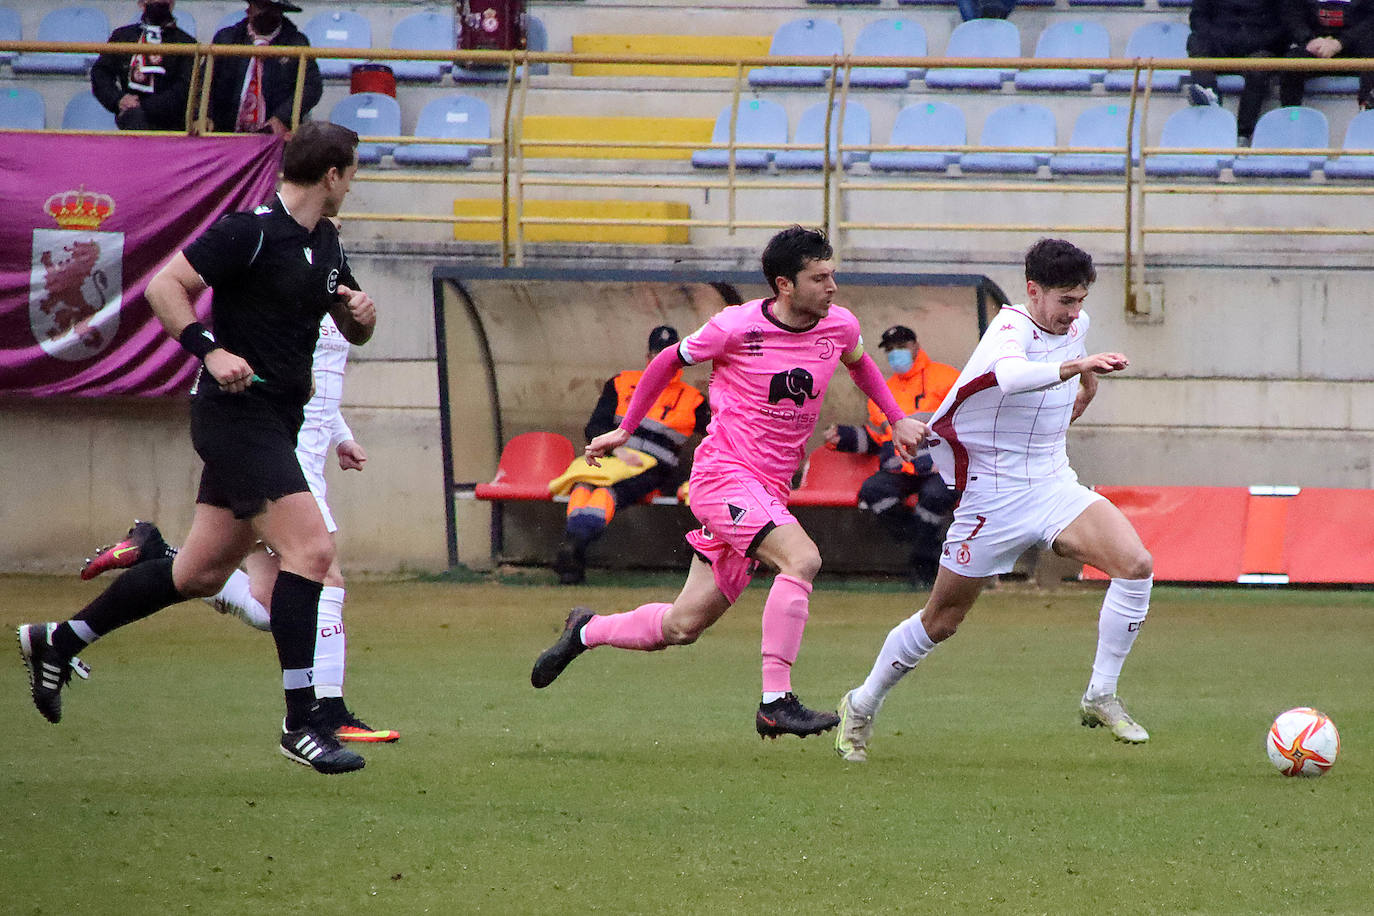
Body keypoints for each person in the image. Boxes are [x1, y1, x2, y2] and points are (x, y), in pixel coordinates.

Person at [18, 122, 376, 775]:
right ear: (331, 175)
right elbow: (164, 287)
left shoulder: (324, 242)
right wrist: (209, 351)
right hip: (235, 419)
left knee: (200, 575)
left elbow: (344, 318)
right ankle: (302, 722)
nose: (352, 186)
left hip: (278, 421)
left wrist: (359, 316)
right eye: (351, 174)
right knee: (313, 551)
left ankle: (58, 640)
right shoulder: (249, 230)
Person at [530, 226, 927, 740]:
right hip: (724, 478)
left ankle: (584, 630)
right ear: (784, 284)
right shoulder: (734, 327)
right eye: (819, 277)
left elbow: (860, 364)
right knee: (802, 559)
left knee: (682, 626)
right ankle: (775, 701)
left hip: (769, 490)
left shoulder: (840, 326)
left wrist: (895, 418)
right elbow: (668, 361)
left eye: (833, 275)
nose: (832, 287)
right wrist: (625, 429)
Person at [834, 239, 1154, 763]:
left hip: (1053, 484)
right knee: (942, 620)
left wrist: (1085, 384)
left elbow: (1064, 369)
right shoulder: (1008, 329)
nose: (1074, 313)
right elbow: (1010, 377)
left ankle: (1100, 694)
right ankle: (862, 703)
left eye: (1080, 301)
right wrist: (1080, 367)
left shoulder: (1076, 325)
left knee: (1136, 563)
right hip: (993, 498)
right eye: (1064, 301)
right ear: (1033, 291)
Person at [80, 310, 399, 744]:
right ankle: (327, 711)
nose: (334, 236)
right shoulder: (272, 278)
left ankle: (166, 558)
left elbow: (313, 381)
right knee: (323, 579)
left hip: (300, 457)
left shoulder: (326, 277)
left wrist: (341, 436)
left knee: (278, 606)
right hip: (278, 458)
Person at [550, 325, 711, 585]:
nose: (664, 363)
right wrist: (618, 449)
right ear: (648, 358)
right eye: (658, 356)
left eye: (669, 357)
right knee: (584, 484)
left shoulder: (693, 400)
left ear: (680, 361)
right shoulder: (621, 383)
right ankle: (574, 547)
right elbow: (595, 428)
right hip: (615, 459)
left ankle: (574, 546)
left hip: (656, 469)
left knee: (606, 491)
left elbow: (718, 435)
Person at [823, 324, 959, 587]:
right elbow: (879, 437)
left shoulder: (947, 378)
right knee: (873, 492)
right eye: (891, 350)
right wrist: (845, 437)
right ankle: (916, 537)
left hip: (939, 466)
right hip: (901, 467)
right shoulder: (882, 391)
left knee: (934, 496)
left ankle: (924, 569)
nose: (897, 354)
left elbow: (966, 423)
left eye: (902, 347)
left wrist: (942, 458)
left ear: (916, 346)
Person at [208, 0, 323, 135]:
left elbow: (311, 86)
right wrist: (204, 115)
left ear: (282, 11)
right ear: (249, 8)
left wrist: (282, 117)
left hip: (274, 136)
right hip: (225, 133)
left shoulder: (297, 43)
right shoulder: (226, 39)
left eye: (273, 8)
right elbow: (204, 80)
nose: (266, 13)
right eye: (261, 6)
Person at [1186, 0, 1288, 144]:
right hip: (1220, 44)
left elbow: (1286, 22)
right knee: (1197, 41)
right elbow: (1198, 17)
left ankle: (1242, 134)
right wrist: (1218, 37)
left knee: (1260, 66)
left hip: (1261, 45)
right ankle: (1209, 95)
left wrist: (1255, 40)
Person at [89, 0, 195, 131]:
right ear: (141, 4)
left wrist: (143, 106)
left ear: (172, 4)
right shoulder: (122, 37)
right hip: (130, 116)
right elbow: (100, 73)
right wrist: (119, 99)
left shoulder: (187, 43)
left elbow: (185, 88)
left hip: (171, 122)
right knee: (134, 117)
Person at [1277, 0, 1374, 110]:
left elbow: (1370, 21)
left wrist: (1340, 43)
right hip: (1316, 48)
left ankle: (1368, 117)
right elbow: (1291, 14)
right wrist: (1309, 40)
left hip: (1357, 48)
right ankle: (1292, 119)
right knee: (1291, 63)